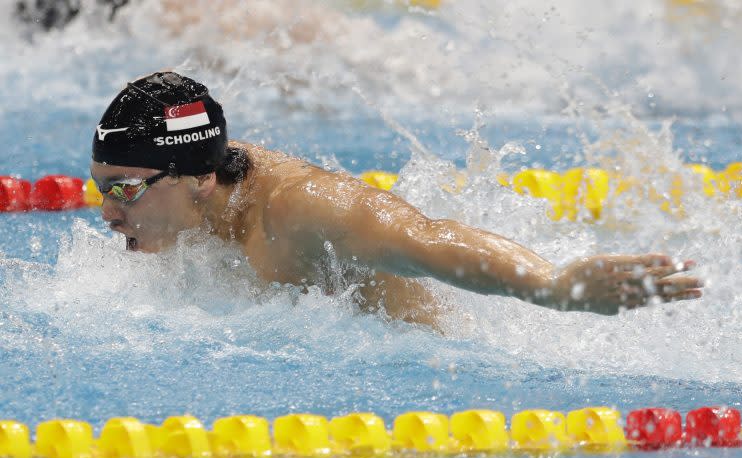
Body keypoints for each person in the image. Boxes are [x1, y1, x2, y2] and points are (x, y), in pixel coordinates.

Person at [91, 72, 703, 329]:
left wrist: (554, 285)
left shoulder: (302, 209)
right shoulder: (188, 200)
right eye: (100, 188)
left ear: (198, 178)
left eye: (123, 190)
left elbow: (433, 239)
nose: (107, 213)